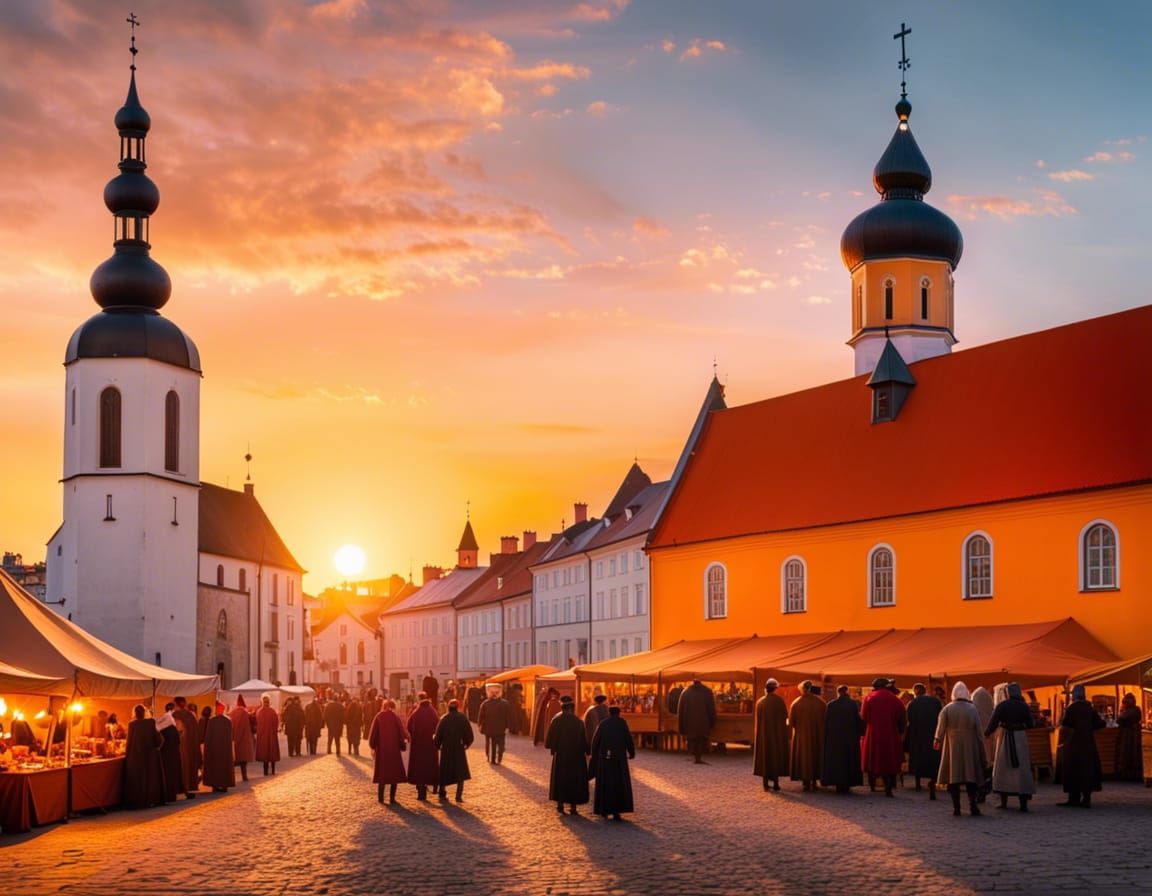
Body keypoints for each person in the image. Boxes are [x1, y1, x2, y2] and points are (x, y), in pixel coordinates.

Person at [934, 681, 986, 817]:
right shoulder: (972, 709)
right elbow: (979, 729)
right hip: (970, 746)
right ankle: (973, 806)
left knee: (954, 777)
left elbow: (940, 727)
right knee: (971, 777)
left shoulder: (947, 709)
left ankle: (956, 808)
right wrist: (982, 744)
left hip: (952, 746)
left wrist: (937, 740)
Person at [984, 682, 1035, 812]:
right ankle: (1023, 804)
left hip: (1005, 738)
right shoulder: (1024, 706)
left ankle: (1004, 802)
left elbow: (993, 722)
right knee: (1022, 769)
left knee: (1003, 768)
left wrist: (987, 734)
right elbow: (1031, 724)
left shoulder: (1002, 706)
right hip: (1020, 738)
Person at [1056, 684, 1104, 808]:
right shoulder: (1089, 709)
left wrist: (1062, 741)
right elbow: (1099, 723)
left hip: (1073, 743)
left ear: (1074, 695)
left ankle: (1073, 798)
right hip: (1088, 742)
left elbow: (1066, 725)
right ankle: (1086, 798)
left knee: (1073, 768)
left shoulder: (1071, 708)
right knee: (1087, 769)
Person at [589, 705, 635, 821]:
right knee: (618, 783)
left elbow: (595, 740)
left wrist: (594, 754)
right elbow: (628, 738)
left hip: (605, 758)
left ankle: (604, 809)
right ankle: (617, 811)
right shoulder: (622, 723)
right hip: (619, 759)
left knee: (605, 783)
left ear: (609, 713)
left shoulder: (603, 723)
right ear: (619, 713)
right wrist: (631, 752)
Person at [545, 695, 590, 814]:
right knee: (574, 781)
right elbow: (583, 740)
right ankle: (573, 807)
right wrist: (587, 751)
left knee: (561, 779)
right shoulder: (578, 722)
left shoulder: (556, 720)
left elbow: (550, 739)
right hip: (576, 757)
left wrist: (552, 748)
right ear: (572, 709)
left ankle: (560, 805)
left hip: (561, 755)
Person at [862, 677, 905, 797]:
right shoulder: (895, 699)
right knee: (890, 758)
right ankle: (889, 786)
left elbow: (864, 716)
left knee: (874, 759)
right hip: (891, 732)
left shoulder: (869, 698)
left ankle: (873, 786)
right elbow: (902, 716)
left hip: (873, 733)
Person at [822, 685, 863, 794]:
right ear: (847, 692)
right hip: (850, 738)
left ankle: (837, 783)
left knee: (837, 761)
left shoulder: (831, 705)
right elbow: (858, 721)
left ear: (838, 692)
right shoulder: (853, 704)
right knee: (848, 760)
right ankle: (847, 783)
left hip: (834, 738)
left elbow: (826, 723)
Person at [123, 704, 165, 809]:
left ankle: (139, 800)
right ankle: (151, 799)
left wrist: (128, 755)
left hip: (136, 756)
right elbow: (159, 739)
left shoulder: (132, 725)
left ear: (135, 714)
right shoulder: (150, 722)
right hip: (150, 755)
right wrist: (157, 748)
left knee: (139, 779)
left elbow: (129, 742)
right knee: (150, 778)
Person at [905, 683, 943, 800]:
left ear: (915, 692)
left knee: (918, 759)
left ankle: (917, 784)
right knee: (932, 759)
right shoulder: (935, 702)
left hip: (917, 736)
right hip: (932, 735)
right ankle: (933, 781)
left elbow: (908, 719)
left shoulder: (912, 703)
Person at [368, 699, 408, 805]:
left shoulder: (378, 716)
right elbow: (401, 733)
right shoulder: (395, 717)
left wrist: (373, 745)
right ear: (392, 707)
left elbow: (373, 734)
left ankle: (380, 798)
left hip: (382, 751)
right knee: (394, 775)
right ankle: (392, 798)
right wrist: (402, 746)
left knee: (382, 774)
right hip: (394, 750)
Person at [434, 699, 474, 802]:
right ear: (457, 707)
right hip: (458, 748)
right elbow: (469, 735)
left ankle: (442, 793)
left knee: (444, 771)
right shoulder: (462, 718)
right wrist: (466, 744)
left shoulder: (444, 719)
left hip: (446, 748)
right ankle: (458, 796)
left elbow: (438, 736)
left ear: (448, 707)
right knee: (460, 772)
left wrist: (438, 746)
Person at [787, 681, 825, 792]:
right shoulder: (821, 703)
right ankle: (814, 781)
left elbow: (792, 722)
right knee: (816, 756)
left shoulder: (796, 703)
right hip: (818, 735)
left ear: (802, 689)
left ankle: (806, 782)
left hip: (801, 737)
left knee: (804, 758)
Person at [753, 678, 789, 791]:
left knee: (765, 757)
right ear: (775, 689)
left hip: (764, 735)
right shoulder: (779, 701)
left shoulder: (760, 702)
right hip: (777, 734)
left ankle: (765, 784)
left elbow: (758, 720)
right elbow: (785, 717)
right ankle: (776, 783)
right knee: (775, 756)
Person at [406, 692, 440, 801]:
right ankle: (434, 785)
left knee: (419, 768)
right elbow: (438, 726)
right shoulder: (432, 712)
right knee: (430, 766)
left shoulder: (416, 712)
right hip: (430, 744)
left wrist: (413, 735)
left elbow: (408, 726)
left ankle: (421, 793)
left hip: (418, 745)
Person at [676, 679, 717, 764]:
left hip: (689, 723)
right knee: (700, 740)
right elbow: (711, 709)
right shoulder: (707, 692)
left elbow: (680, 710)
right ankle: (698, 757)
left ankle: (695, 756)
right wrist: (712, 722)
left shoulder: (685, 692)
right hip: (703, 722)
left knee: (693, 740)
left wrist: (681, 726)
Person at [171, 696, 201, 799]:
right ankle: (191, 790)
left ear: (176, 704)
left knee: (181, 769)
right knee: (190, 769)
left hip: (180, 748)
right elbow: (196, 732)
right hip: (191, 747)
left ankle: (181, 789)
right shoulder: (191, 715)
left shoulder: (175, 715)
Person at [202, 703, 236, 793]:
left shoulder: (212, 721)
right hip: (225, 749)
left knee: (215, 767)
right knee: (224, 767)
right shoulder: (228, 721)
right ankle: (224, 785)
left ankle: (215, 785)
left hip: (214, 749)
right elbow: (231, 737)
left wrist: (207, 749)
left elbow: (208, 736)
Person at [156, 704, 184, 804]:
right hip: (171, 756)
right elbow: (177, 741)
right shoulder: (171, 727)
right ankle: (171, 796)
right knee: (171, 776)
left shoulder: (164, 729)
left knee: (168, 776)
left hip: (166, 756)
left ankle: (169, 796)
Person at [477, 686, 511, 764]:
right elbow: (508, 717)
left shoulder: (485, 703)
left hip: (490, 729)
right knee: (499, 744)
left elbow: (480, 717)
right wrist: (508, 727)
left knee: (491, 744)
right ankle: (497, 758)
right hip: (499, 729)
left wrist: (480, 725)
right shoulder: (504, 703)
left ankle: (492, 758)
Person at [1115, 693, 1143, 782]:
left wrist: (1122, 712)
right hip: (1134, 734)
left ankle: (1127, 774)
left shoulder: (1129, 711)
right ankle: (1134, 773)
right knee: (1134, 753)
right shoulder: (1137, 710)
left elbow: (1119, 720)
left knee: (1126, 753)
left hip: (1127, 735)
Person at [229, 696, 255, 782]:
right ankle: (244, 776)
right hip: (244, 739)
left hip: (234, 739)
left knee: (234, 758)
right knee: (243, 760)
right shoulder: (246, 713)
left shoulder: (232, 713)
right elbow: (252, 723)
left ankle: (232, 777)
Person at [255, 694, 281, 776]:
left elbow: (257, 723)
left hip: (263, 735)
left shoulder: (260, 711)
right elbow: (276, 722)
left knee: (265, 753)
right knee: (272, 752)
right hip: (272, 734)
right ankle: (272, 770)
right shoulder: (272, 711)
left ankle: (265, 771)